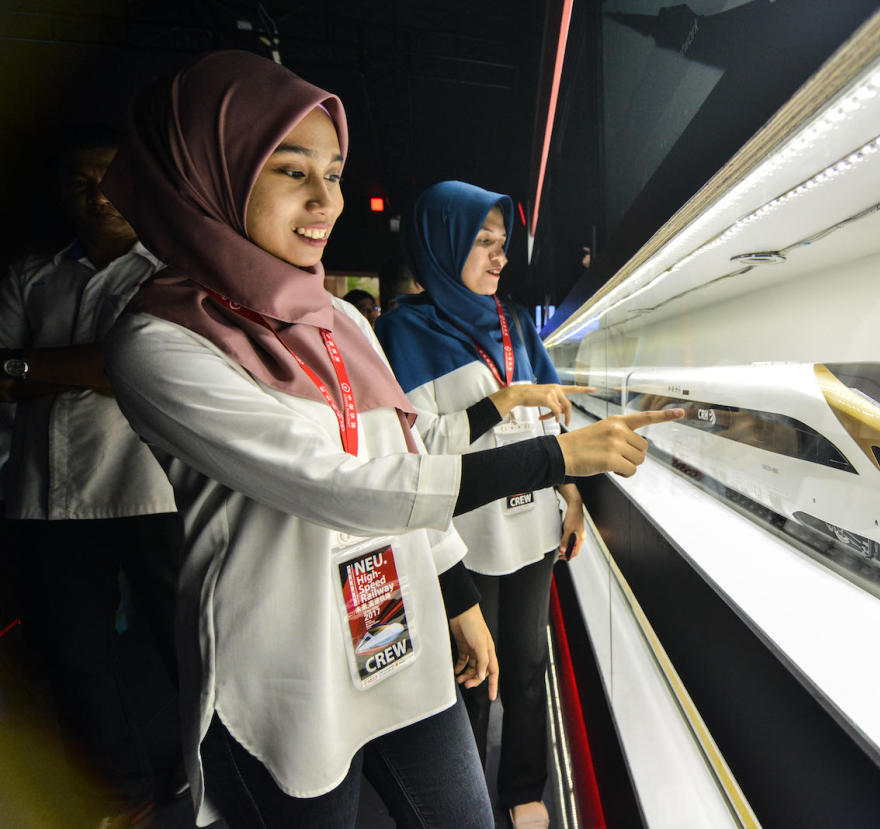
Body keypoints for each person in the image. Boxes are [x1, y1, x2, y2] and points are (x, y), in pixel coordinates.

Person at [99, 50, 680, 828]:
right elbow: (333, 484)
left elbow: (400, 459)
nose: (324, 202)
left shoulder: (340, 322)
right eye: (289, 170)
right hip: (287, 672)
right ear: (215, 174)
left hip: (394, 633)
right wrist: (557, 457)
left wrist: (454, 594)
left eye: (334, 173)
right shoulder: (160, 343)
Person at [375, 181, 592, 828]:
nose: (499, 259)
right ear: (441, 243)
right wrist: (505, 398)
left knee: (526, 663)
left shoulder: (517, 323)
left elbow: (553, 417)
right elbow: (419, 448)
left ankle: (524, 785)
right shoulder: (402, 332)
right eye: (483, 242)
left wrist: (571, 490)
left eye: (502, 245)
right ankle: (460, 800)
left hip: (529, 525)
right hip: (458, 535)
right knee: (470, 671)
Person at [0, 124, 182, 824]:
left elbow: (134, 370)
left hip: (148, 489)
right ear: (60, 191)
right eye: (79, 178)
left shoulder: (165, 275)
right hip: (44, 498)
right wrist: (95, 367)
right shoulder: (32, 275)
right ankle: (123, 788)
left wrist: (33, 367)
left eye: (108, 175)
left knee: (182, 642)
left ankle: (213, 767)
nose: (95, 191)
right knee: (71, 654)